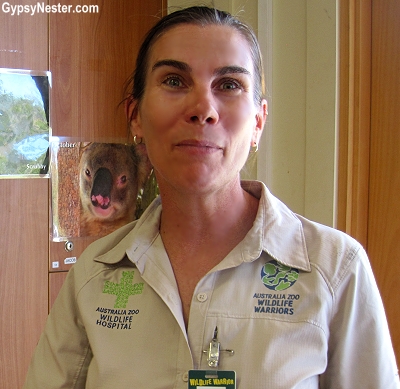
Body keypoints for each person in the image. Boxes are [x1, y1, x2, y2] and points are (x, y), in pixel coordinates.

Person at [24, 6, 399, 389]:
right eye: (173, 81)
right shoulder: (94, 275)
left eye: (229, 85)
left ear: (258, 122)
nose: (202, 108)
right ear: (135, 115)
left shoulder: (335, 270)